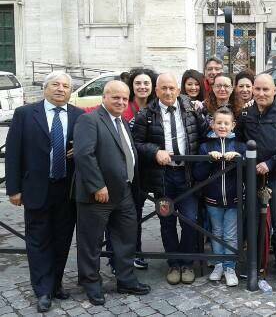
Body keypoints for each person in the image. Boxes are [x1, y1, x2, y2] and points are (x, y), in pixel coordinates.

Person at [5, 71, 84, 313]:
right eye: (55, 85)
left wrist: (78, 150)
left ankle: (56, 283)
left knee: (62, 240)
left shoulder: (80, 116)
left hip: (67, 189)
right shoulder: (25, 114)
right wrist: (14, 189)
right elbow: (13, 153)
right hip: (36, 188)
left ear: (71, 91)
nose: (61, 89)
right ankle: (43, 290)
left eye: (66, 86)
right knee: (38, 241)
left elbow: (89, 147)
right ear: (45, 88)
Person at [74, 81, 151, 306]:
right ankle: (91, 284)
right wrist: (97, 186)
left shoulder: (123, 122)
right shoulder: (89, 120)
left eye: (124, 98)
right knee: (91, 242)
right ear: (104, 97)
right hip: (98, 195)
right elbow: (84, 155)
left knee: (125, 239)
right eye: (115, 97)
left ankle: (126, 280)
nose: (120, 101)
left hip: (124, 192)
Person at [132, 72, 209, 285]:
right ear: (156, 91)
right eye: (163, 88)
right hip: (163, 178)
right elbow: (136, 143)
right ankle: (173, 264)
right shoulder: (146, 114)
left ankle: (187, 263)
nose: (167, 92)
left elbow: (204, 133)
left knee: (190, 220)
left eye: (171, 88)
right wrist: (155, 151)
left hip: (187, 176)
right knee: (167, 221)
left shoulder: (190, 108)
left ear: (178, 89)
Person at [235, 74, 276, 280]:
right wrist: (246, 158)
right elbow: (237, 141)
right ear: (253, 90)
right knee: (253, 219)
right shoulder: (246, 113)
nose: (261, 93)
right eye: (258, 89)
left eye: (266, 90)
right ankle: (254, 263)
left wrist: (270, 163)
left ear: (274, 90)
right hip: (253, 177)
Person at [103, 67, 157, 274]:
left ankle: (136, 252)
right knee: (121, 215)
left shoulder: (155, 107)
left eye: (146, 83)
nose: (142, 87)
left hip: (148, 169)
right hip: (123, 171)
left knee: (136, 215)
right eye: (138, 83)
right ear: (131, 86)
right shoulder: (123, 106)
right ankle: (117, 255)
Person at [193, 107, 246, 287]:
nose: (222, 126)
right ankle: (218, 264)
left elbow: (247, 171)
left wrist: (240, 158)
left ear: (233, 125)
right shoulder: (205, 146)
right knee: (216, 233)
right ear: (212, 124)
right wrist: (208, 159)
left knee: (230, 235)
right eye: (219, 123)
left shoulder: (240, 146)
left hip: (234, 199)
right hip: (213, 199)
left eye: (226, 123)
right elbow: (198, 174)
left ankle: (230, 267)